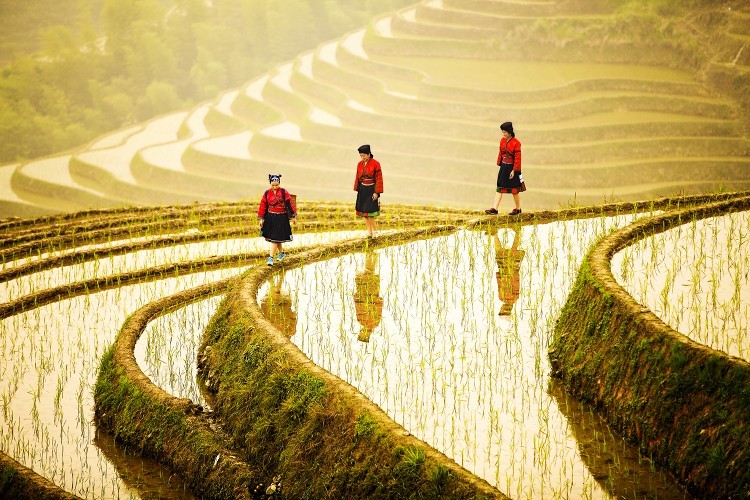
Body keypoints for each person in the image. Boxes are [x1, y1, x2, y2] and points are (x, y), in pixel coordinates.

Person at [486, 122, 525, 215]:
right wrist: (499, 163)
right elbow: (500, 152)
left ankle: (518, 208)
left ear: (509, 132)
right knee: (499, 188)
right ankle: (494, 209)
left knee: (514, 190)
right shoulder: (502, 141)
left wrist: (514, 170)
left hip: (512, 168)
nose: (503, 134)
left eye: (504, 132)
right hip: (504, 167)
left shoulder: (516, 143)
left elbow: (517, 158)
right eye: (502, 132)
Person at [258, 174, 296, 265]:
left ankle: (270, 257)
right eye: (273, 185)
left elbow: (290, 204)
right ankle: (282, 254)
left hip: (281, 217)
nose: (275, 187)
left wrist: (294, 216)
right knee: (275, 237)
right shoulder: (267, 193)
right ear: (270, 184)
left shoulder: (284, 192)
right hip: (271, 217)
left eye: (276, 185)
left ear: (279, 184)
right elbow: (263, 205)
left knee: (274, 238)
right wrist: (261, 218)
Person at [492, 229, 525, 315]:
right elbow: (515, 284)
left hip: (507, 272)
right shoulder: (508, 297)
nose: (501, 308)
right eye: (502, 311)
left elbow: (501, 285)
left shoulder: (505, 298)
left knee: (505, 252)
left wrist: (500, 275)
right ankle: (516, 232)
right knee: (505, 252)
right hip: (508, 272)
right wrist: (502, 275)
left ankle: (495, 234)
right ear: (505, 310)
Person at [354, 144, 383, 237]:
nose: (362, 158)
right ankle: (369, 232)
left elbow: (379, 179)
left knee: (370, 213)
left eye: (364, 156)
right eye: (361, 156)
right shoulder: (359, 164)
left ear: (369, 154)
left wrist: (376, 192)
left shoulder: (376, 164)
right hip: (363, 189)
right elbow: (357, 177)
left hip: (371, 189)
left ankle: (375, 232)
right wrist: (358, 189)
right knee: (364, 214)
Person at [353, 250, 383, 342]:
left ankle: (371, 255)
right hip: (369, 296)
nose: (361, 332)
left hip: (365, 295)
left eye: (360, 333)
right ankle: (371, 255)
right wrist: (378, 300)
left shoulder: (362, 322)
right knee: (369, 275)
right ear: (366, 334)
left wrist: (356, 298)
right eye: (362, 334)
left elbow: (358, 308)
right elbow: (378, 311)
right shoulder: (372, 323)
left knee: (368, 274)